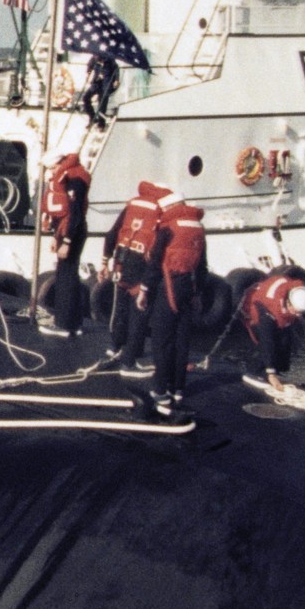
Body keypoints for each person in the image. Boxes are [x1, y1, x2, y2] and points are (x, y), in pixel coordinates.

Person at [99, 180, 171, 373]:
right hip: (142, 264)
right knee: (140, 311)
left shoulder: (132, 206)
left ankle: (115, 346)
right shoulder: (161, 211)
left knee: (119, 307)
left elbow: (111, 234)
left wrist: (105, 262)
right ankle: (130, 360)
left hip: (122, 260)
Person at [147, 192, 206, 413]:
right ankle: (178, 387)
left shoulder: (168, 228)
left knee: (162, 341)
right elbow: (202, 266)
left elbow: (155, 262)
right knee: (182, 340)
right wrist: (198, 292)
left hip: (168, 287)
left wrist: (145, 289)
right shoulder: (198, 228)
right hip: (188, 289)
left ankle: (160, 390)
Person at [37, 148, 91, 338]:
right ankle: (74, 322)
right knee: (68, 275)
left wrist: (67, 241)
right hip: (63, 229)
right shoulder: (63, 178)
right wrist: (55, 236)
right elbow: (61, 213)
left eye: (52, 168)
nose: (50, 172)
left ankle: (64, 324)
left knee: (66, 277)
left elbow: (75, 213)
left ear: (59, 164)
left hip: (72, 231)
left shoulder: (75, 180)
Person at [240, 269, 305, 392]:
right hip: (255, 309)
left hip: (278, 310)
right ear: (289, 303)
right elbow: (267, 340)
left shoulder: (297, 291)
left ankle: (278, 369)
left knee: (285, 344)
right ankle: (256, 371)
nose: (298, 315)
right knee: (269, 343)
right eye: (296, 312)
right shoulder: (270, 308)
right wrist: (271, 373)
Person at [80, 53, 118, 126]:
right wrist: (88, 74)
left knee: (102, 104)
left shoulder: (109, 59)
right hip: (96, 83)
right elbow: (89, 66)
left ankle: (101, 124)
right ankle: (92, 117)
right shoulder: (94, 58)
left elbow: (116, 69)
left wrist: (116, 80)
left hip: (106, 85)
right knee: (85, 98)